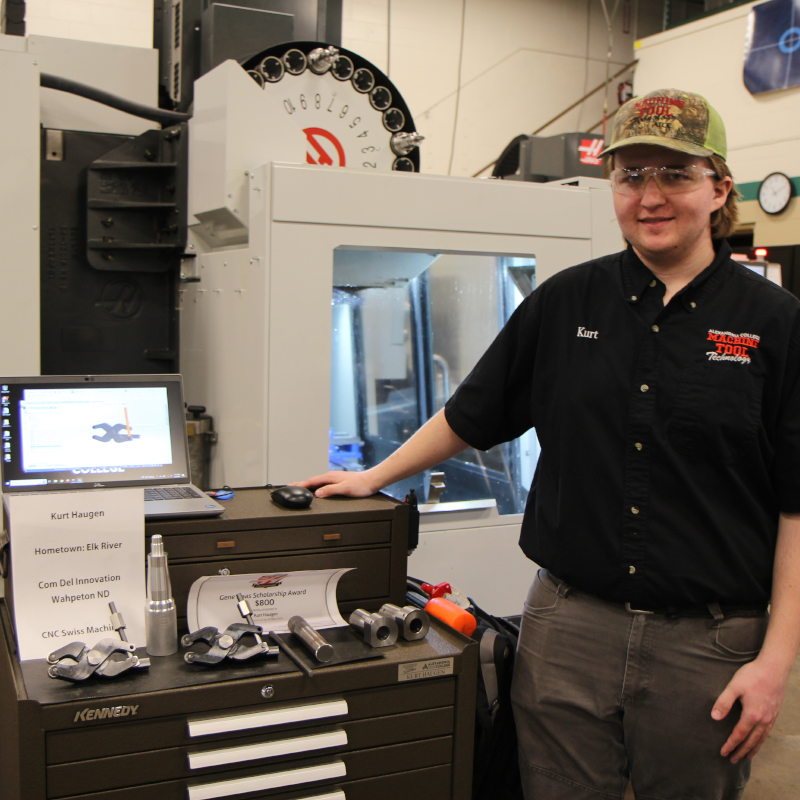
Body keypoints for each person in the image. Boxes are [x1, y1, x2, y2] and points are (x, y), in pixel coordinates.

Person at [296, 89, 800, 799]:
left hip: (707, 646)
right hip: (568, 628)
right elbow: (474, 412)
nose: (649, 196)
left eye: (674, 175)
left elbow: (795, 508)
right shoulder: (566, 303)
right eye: (630, 176)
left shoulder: (775, 325)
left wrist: (775, 662)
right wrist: (374, 475)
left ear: (718, 188)